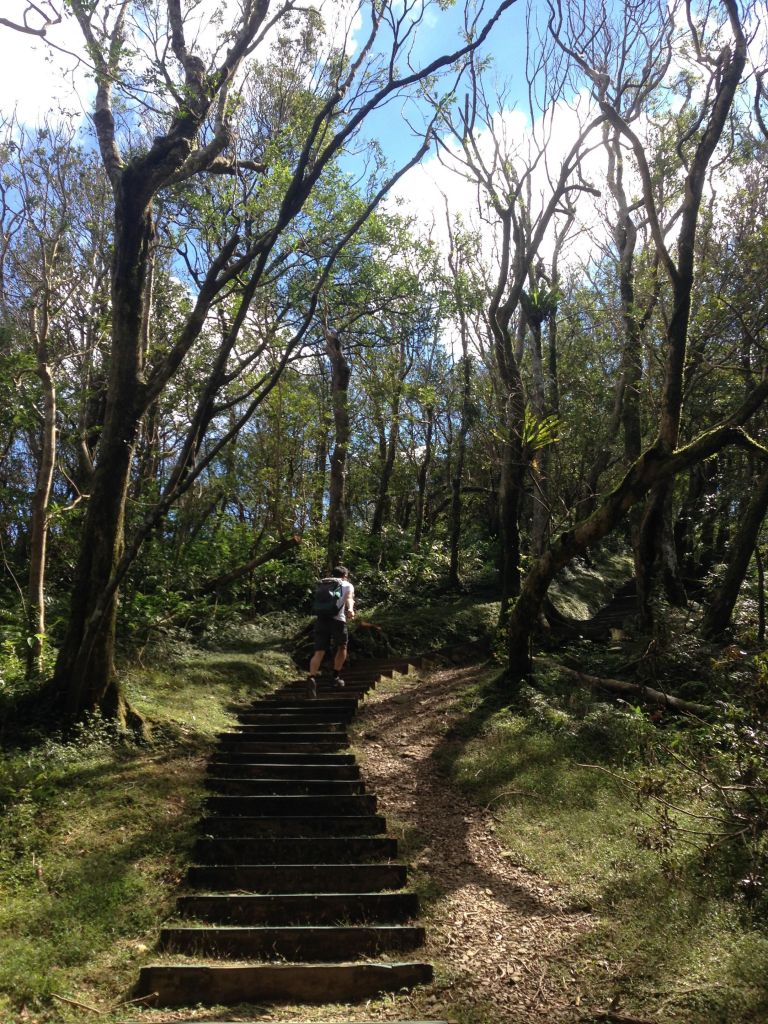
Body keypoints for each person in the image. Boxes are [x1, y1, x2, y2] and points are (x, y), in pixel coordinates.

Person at [307, 565, 355, 697]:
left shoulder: (323, 583)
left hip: (321, 620)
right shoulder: (347, 584)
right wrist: (350, 609)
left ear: (332, 574)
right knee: (342, 646)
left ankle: (312, 677)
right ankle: (335, 677)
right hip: (338, 621)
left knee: (319, 651)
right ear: (345, 575)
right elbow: (350, 598)